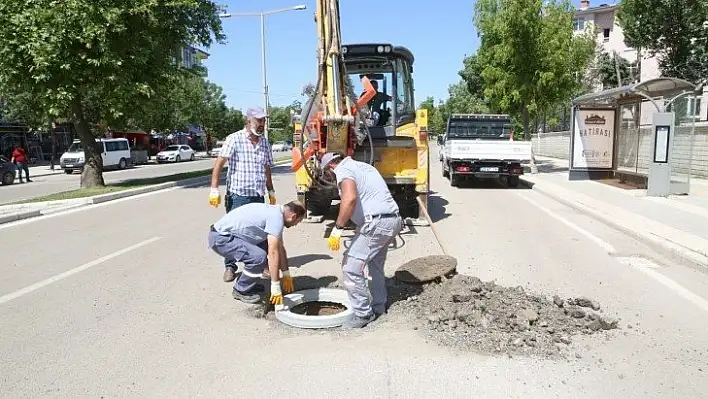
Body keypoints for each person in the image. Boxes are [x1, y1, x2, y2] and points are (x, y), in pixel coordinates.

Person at [321, 152, 402, 329]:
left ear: (330, 167)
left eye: (328, 174)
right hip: (392, 219)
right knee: (374, 265)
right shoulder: (366, 167)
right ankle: (379, 306)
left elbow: (349, 198)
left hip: (376, 223)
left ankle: (362, 313)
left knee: (350, 266)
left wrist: (338, 228)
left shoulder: (343, 169)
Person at [208, 106, 277, 283]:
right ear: (249, 121)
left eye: (263, 121)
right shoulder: (234, 139)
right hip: (238, 196)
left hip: (257, 195)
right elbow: (219, 164)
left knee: (261, 231)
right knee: (233, 232)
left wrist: (270, 190)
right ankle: (230, 266)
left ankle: (263, 264)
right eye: (259, 121)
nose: (262, 124)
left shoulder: (264, 144)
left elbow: (267, 168)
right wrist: (214, 189)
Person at [208, 201, 307, 305]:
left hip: (223, 235)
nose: (296, 225)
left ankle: (250, 284)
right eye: (298, 221)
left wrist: (286, 274)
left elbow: (279, 248)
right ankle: (241, 290)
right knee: (259, 257)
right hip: (221, 239)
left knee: (266, 246)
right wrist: (275, 285)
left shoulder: (275, 213)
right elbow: (273, 253)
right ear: (293, 216)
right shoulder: (276, 219)